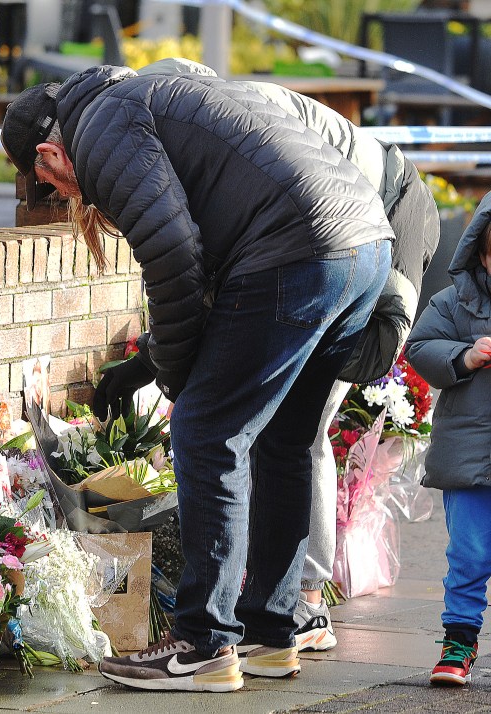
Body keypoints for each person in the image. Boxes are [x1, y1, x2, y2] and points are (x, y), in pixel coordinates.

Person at [1, 65, 394, 692]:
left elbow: (174, 256)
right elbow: (210, 253)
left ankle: (202, 643)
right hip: (366, 246)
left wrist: (179, 382)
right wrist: (155, 358)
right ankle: (271, 632)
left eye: (48, 183)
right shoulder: (147, 96)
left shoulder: (101, 130)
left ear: (49, 153)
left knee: (211, 435)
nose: (59, 194)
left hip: (297, 250)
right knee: (285, 441)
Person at [134, 59, 440, 653]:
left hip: (386, 220)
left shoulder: (234, 122)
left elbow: (366, 356)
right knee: (276, 426)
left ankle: (301, 600)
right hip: (328, 239)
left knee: (304, 422)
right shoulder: (203, 127)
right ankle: (272, 610)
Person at [405, 192, 491, 687]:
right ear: (479, 253)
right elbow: (421, 345)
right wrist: (464, 355)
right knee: (470, 554)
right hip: (471, 458)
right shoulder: (455, 301)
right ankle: (459, 639)